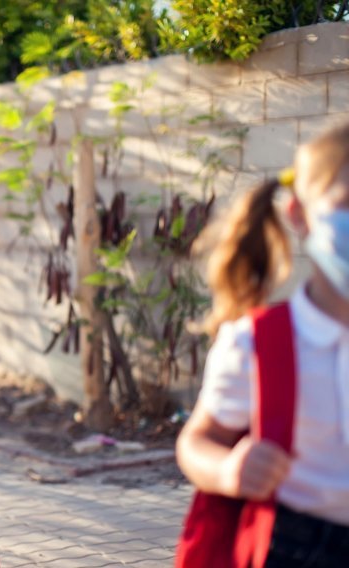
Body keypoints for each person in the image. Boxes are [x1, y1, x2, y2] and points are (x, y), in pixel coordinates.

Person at [176, 121, 349, 566]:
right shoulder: (259, 343)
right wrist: (228, 469)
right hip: (295, 546)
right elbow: (197, 442)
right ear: (300, 215)